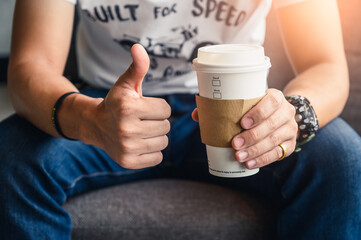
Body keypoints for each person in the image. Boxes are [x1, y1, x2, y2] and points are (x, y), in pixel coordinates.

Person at [0, 0, 360, 239]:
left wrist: (294, 115)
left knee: (340, 156)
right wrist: (89, 118)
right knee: (11, 154)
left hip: (234, 110)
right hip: (106, 104)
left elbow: (324, 65)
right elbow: (32, 65)